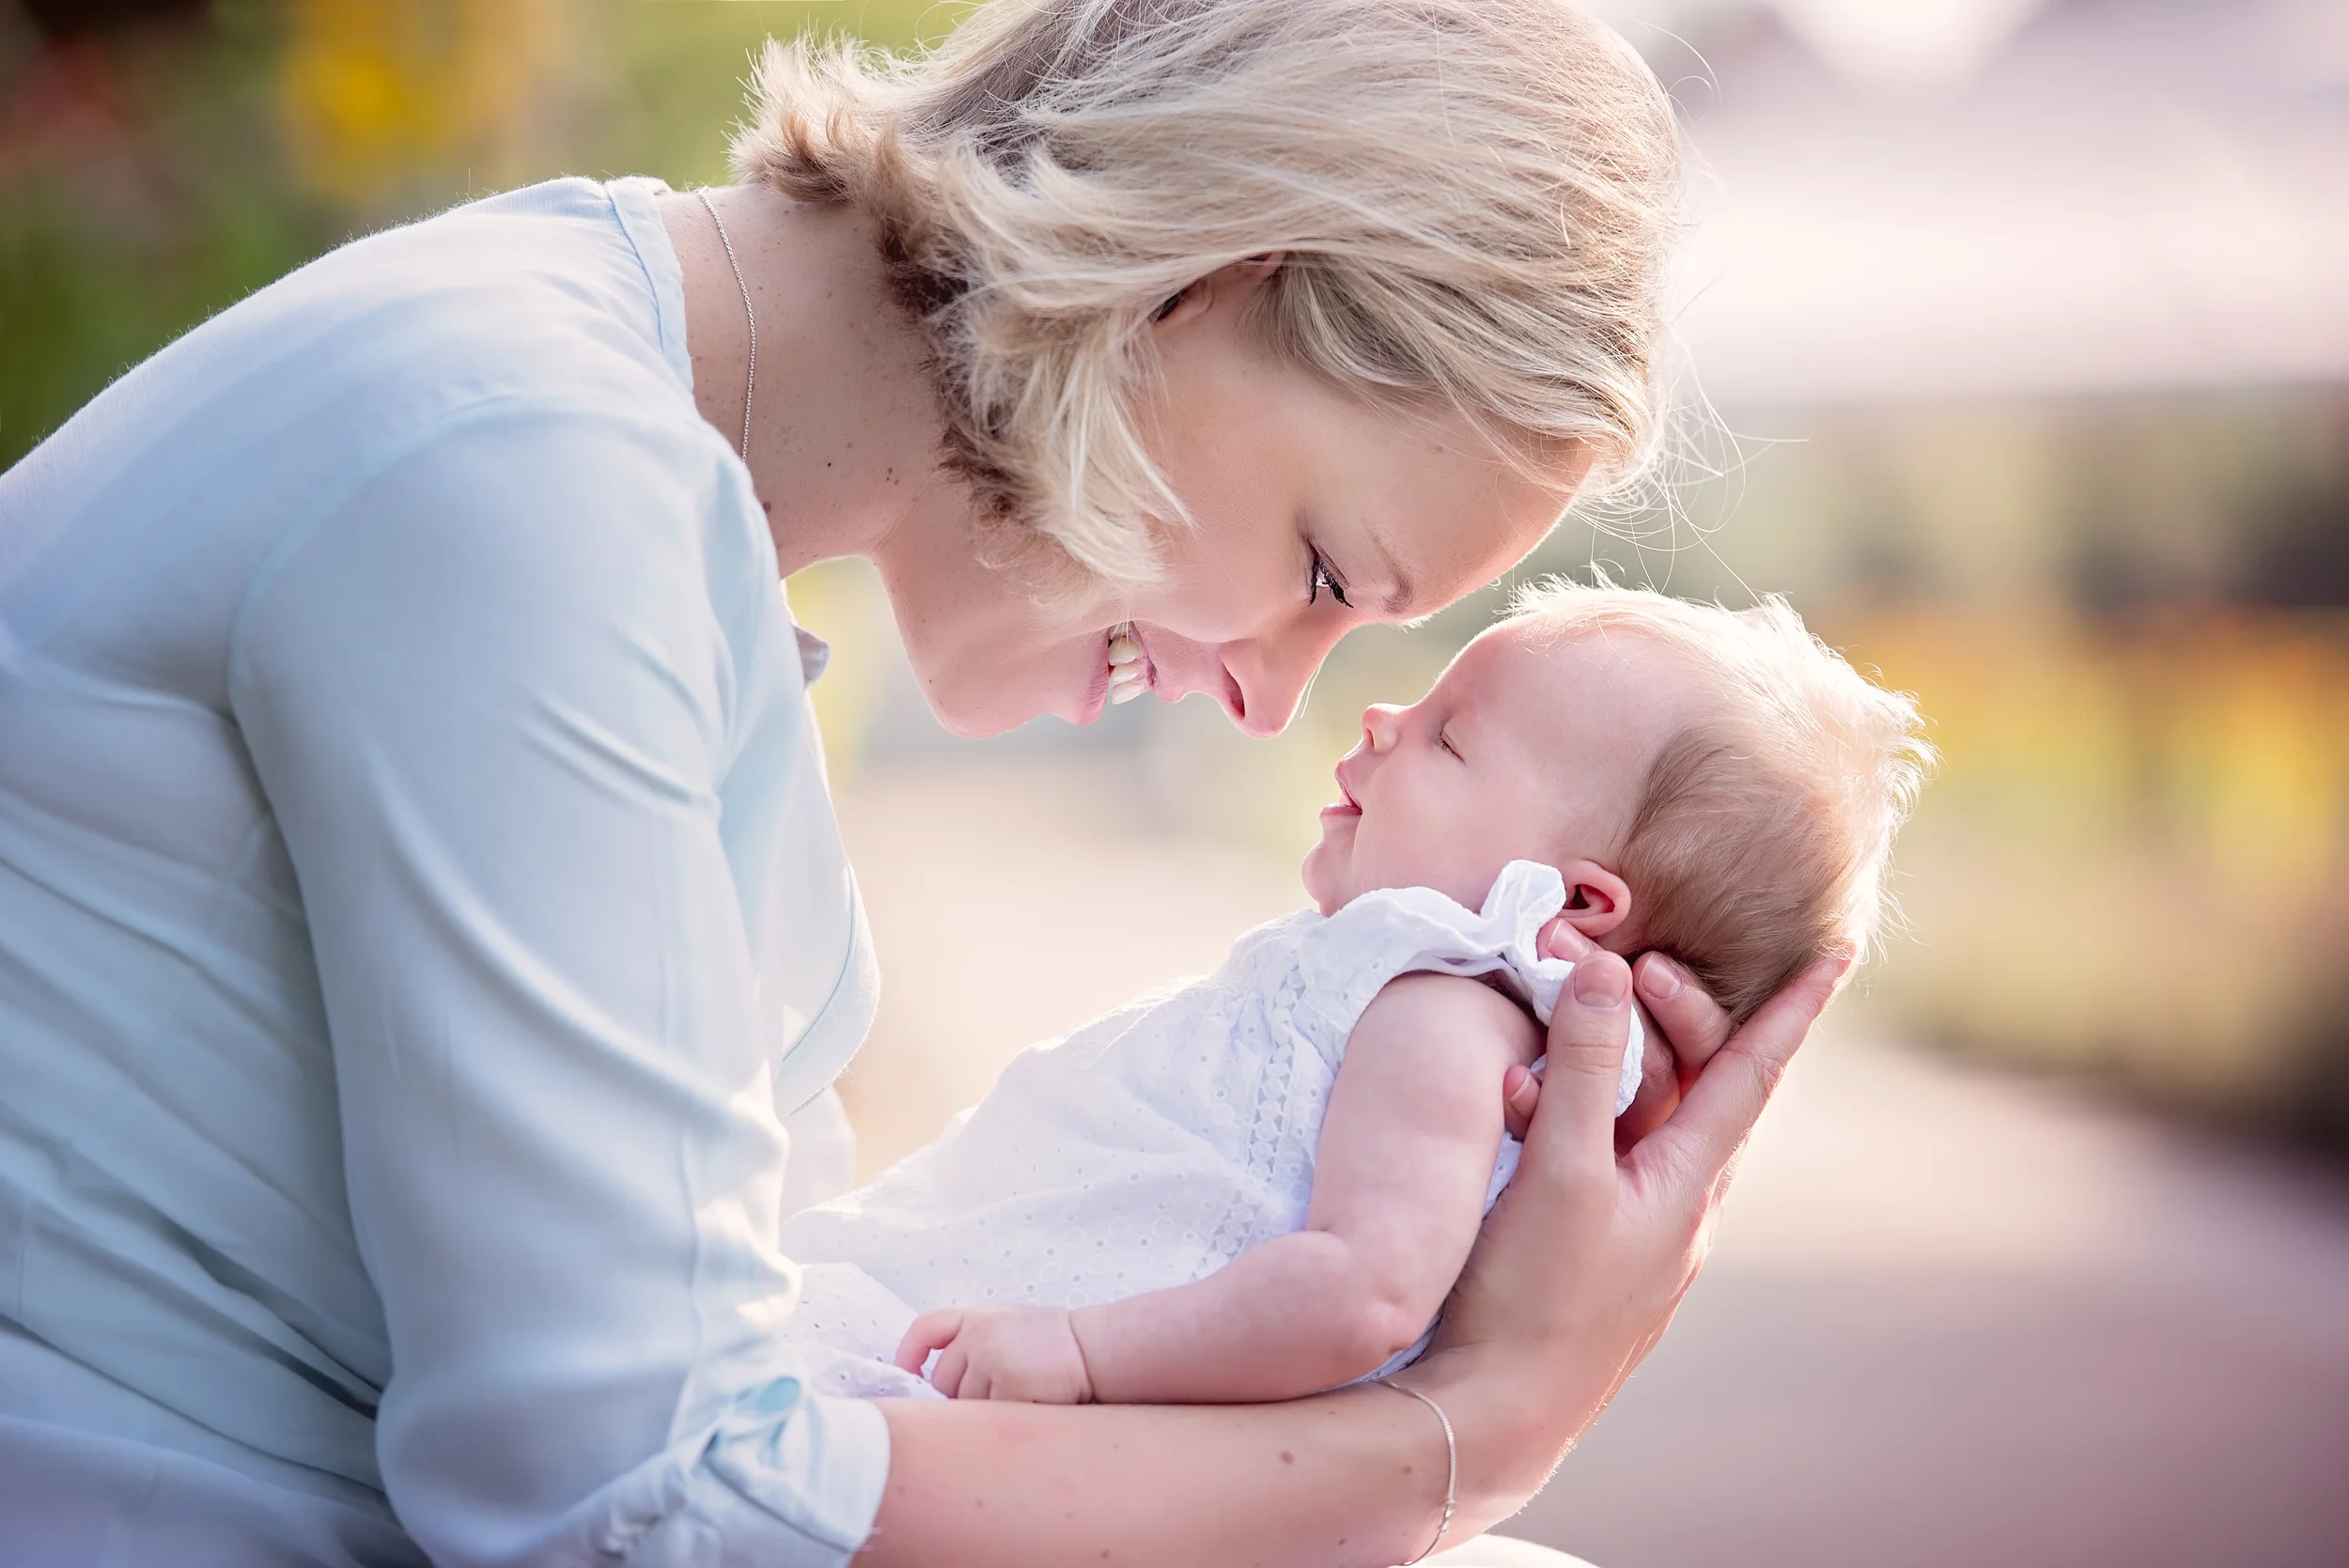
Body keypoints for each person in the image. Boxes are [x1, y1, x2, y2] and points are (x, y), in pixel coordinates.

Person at [0, 3, 1847, 1565]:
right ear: (1192, 295)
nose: (1264, 696)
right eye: (1315, 576)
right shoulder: (517, 485)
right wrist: (1465, 1433)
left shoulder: (626, 484)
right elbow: (646, 1507)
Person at [748, 582, 1930, 1412]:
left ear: (1569, 909)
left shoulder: (1444, 1008)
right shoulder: (1411, 991)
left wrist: (1079, 1352)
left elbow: (1365, 1290)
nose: (1382, 716)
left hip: (972, 1361)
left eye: (1448, 739)